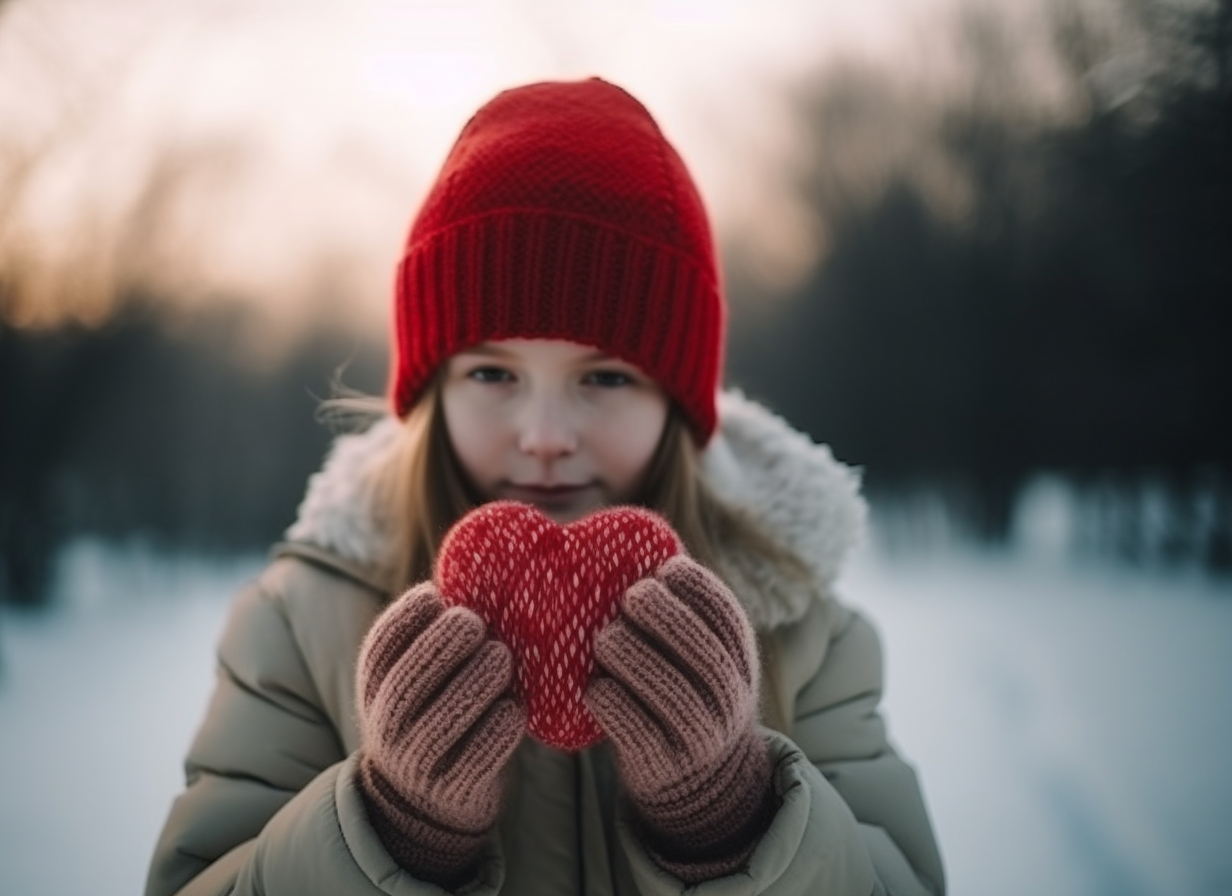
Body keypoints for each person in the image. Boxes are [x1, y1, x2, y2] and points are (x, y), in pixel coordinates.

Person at [144, 77, 944, 896]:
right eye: (494, 371)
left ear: (677, 403)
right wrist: (385, 835)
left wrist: (736, 823)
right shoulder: (301, 627)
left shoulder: (801, 632)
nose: (547, 437)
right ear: (433, 393)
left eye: (605, 379)